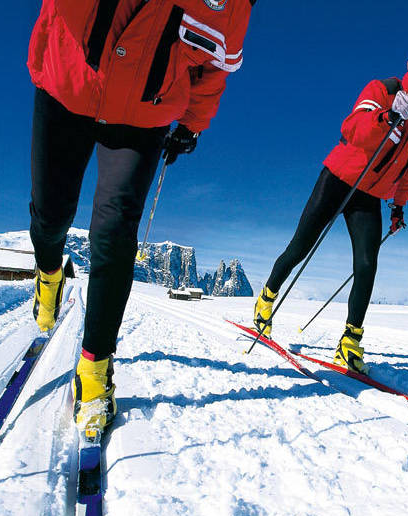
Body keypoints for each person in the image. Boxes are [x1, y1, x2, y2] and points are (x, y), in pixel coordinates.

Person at [27, 0, 255, 434]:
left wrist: (191, 124)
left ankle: (94, 370)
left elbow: (213, 70)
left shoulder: (233, 4)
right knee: (51, 213)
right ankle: (49, 272)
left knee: (114, 233)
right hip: (68, 86)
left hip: (142, 116)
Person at [254, 36, 408, 374]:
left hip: (370, 195)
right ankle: (266, 300)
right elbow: (352, 129)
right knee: (301, 246)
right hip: (339, 178)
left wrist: (398, 208)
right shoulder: (382, 90)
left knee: (367, 263)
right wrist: (388, 117)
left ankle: (349, 342)